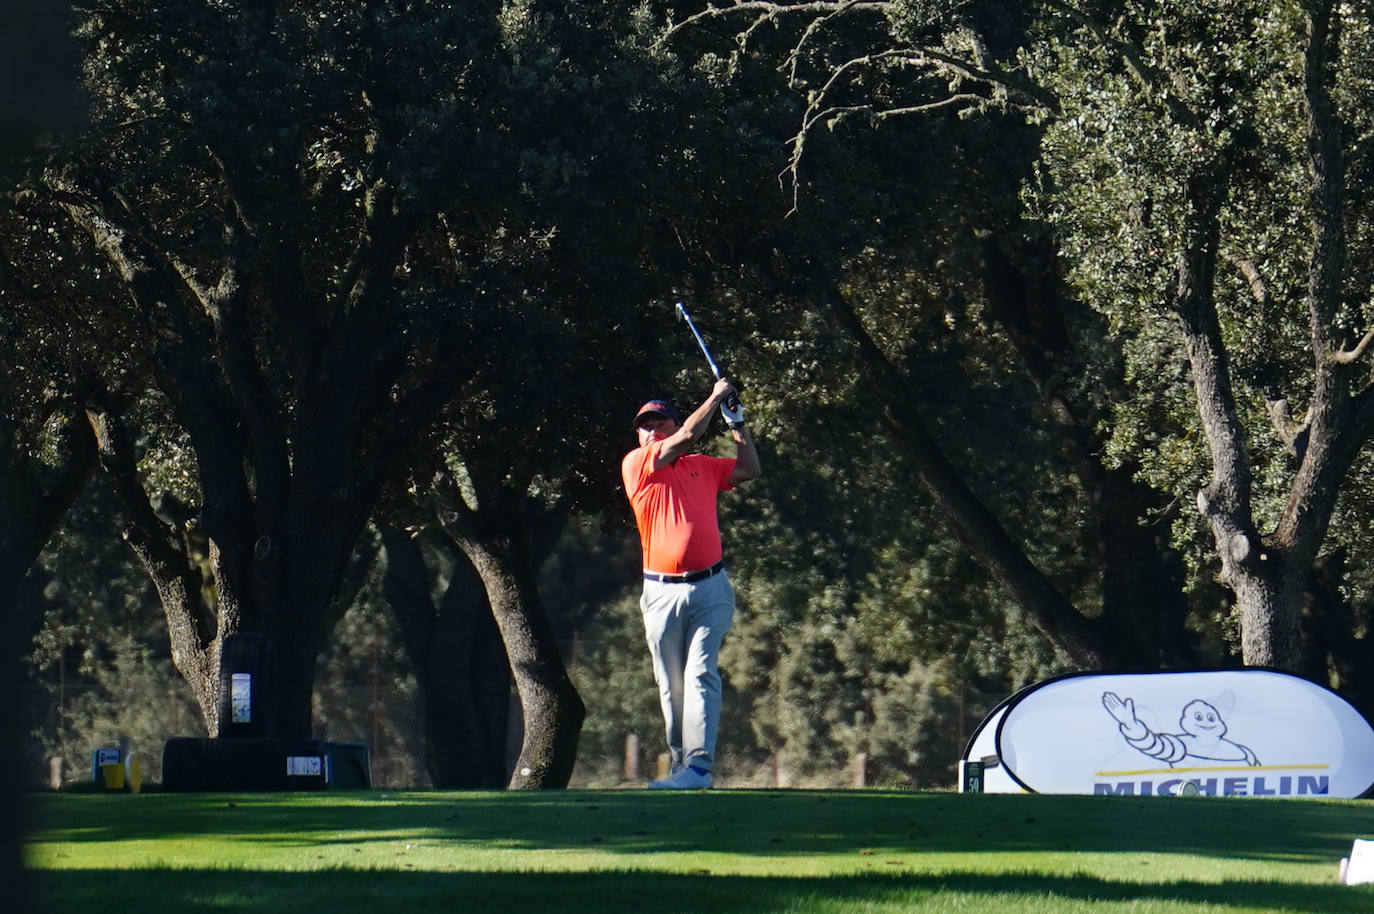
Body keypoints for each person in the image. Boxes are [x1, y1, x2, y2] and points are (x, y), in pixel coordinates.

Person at [621, 377, 761, 789]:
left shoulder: (701, 465)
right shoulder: (637, 464)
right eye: (647, 425)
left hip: (711, 588)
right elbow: (684, 437)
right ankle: (683, 763)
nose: (653, 429)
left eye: (660, 422)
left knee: (701, 672)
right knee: (671, 685)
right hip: (661, 592)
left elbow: (750, 468)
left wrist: (738, 426)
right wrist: (716, 396)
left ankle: (698, 767)